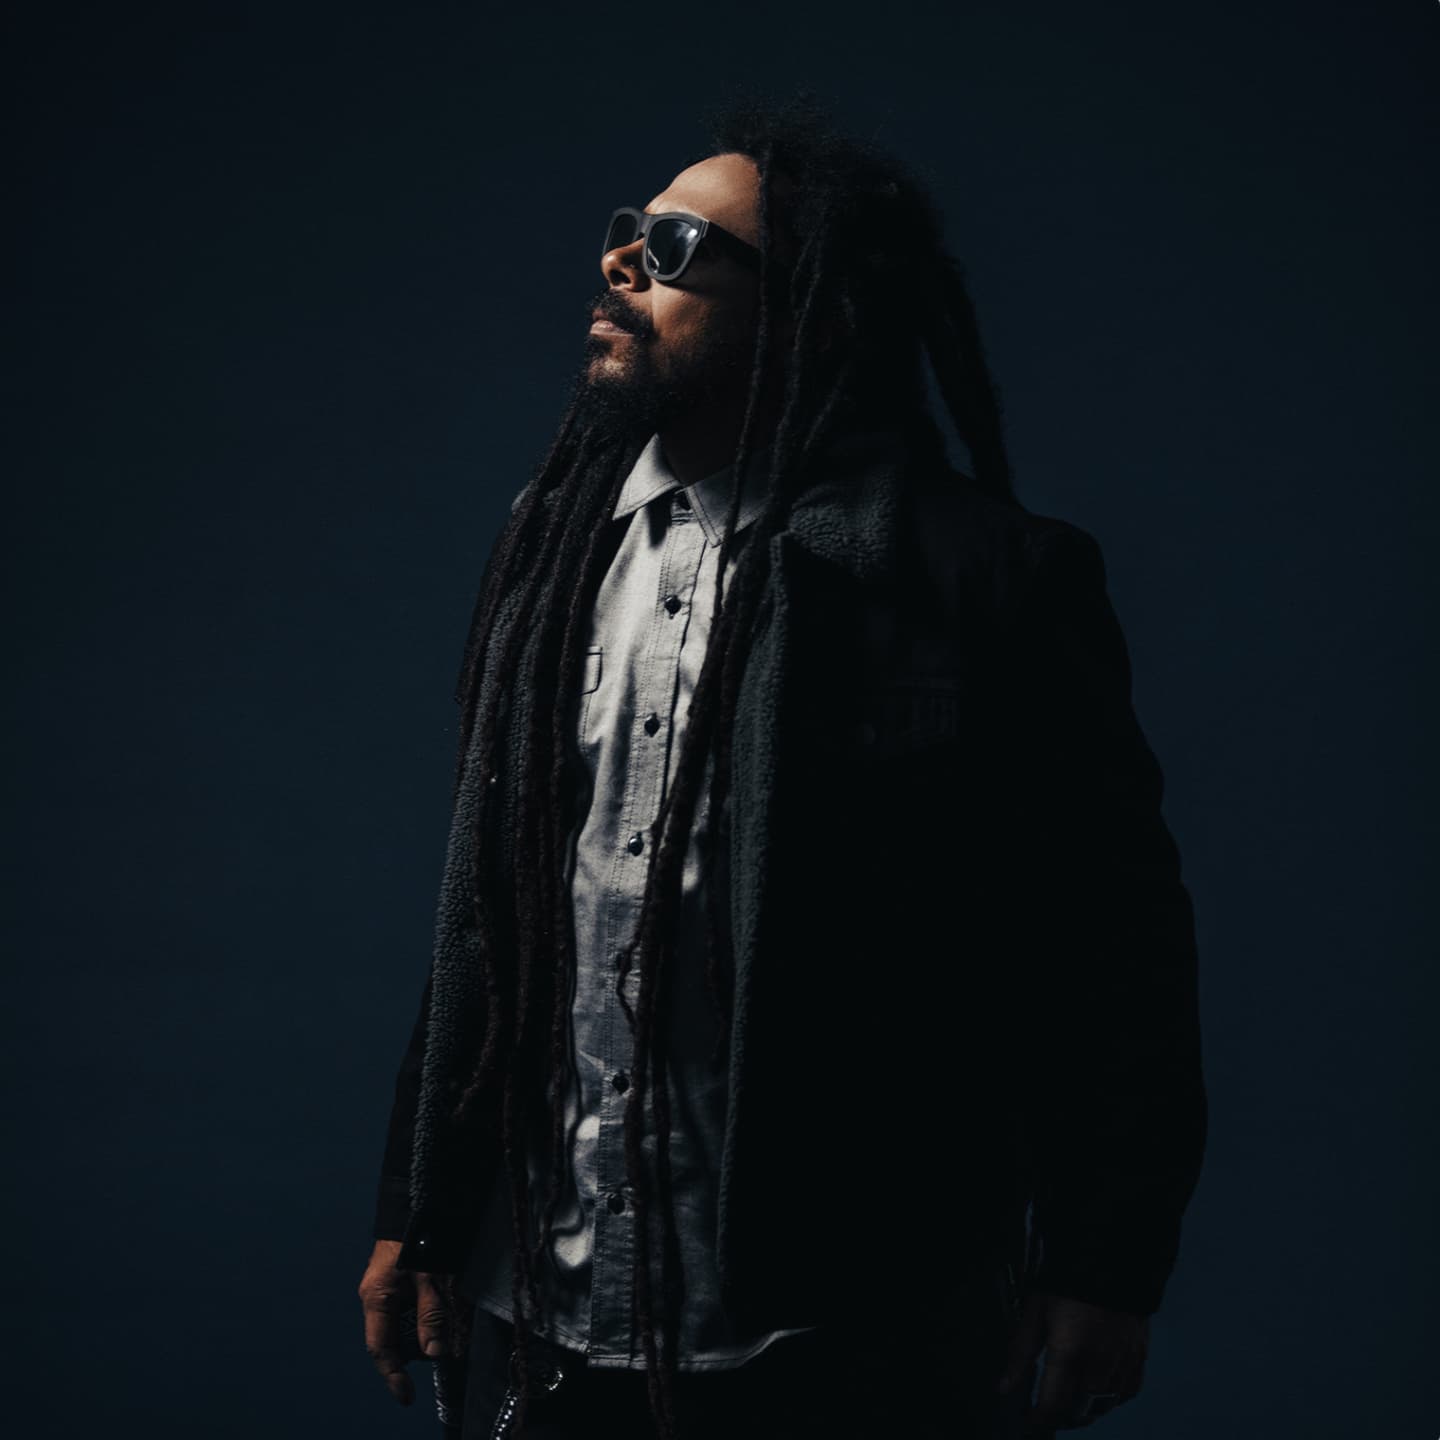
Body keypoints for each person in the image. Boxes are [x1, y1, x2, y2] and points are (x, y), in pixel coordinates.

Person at [356, 90, 1208, 1440]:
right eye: (627, 230)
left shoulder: (978, 578)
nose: (619, 261)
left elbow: (1112, 945)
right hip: (541, 1301)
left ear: (810, 312)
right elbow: (491, 927)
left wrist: (1104, 1260)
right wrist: (420, 1209)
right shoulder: (552, 550)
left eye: (676, 247)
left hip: (841, 1331)